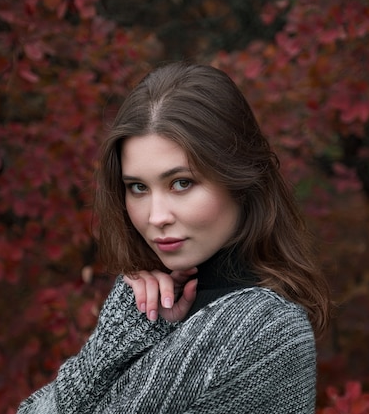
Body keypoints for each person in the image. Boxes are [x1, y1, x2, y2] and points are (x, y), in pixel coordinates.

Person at [17, 62, 331, 414]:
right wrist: (114, 340)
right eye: (138, 187)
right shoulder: (143, 312)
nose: (156, 216)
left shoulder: (265, 329)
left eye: (181, 183)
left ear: (241, 179)